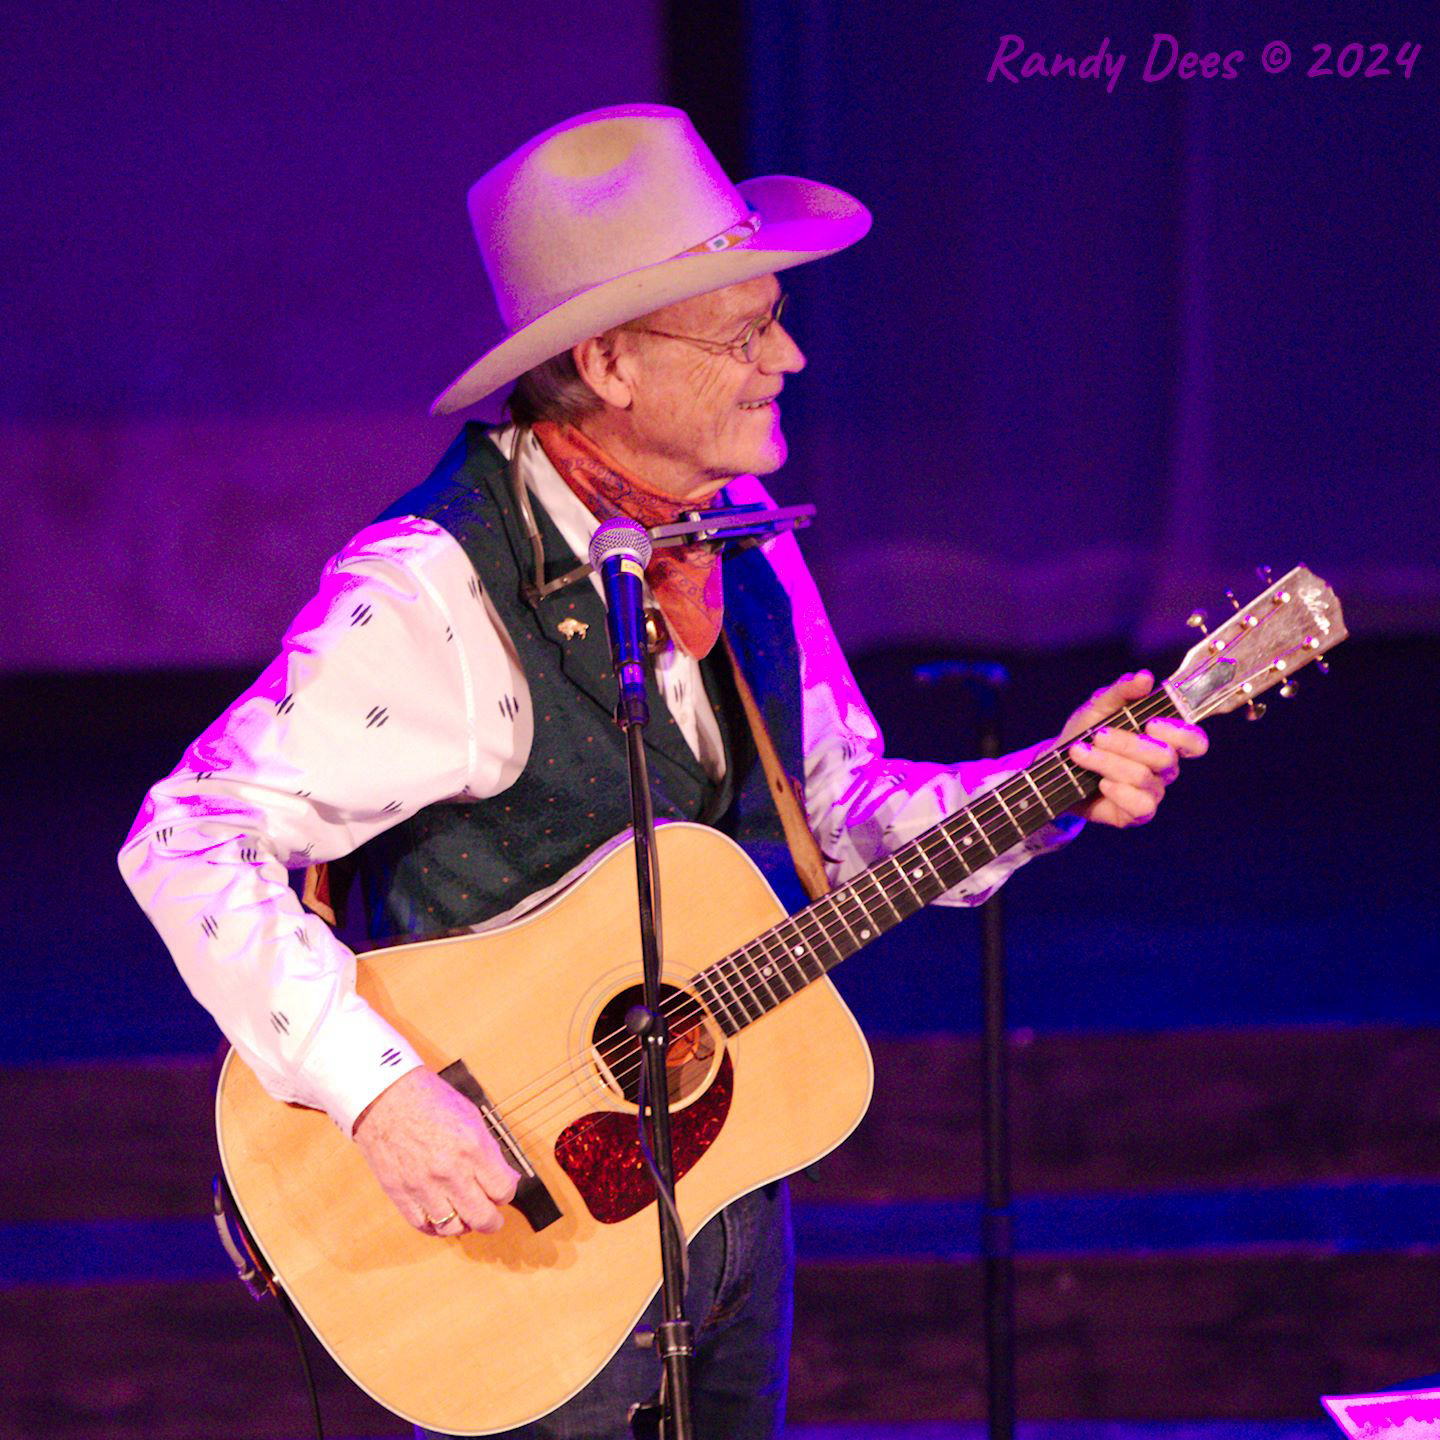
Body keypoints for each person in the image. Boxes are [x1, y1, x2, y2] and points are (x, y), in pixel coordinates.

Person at [119, 104, 1207, 1439]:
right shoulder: (434, 591)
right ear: (613, 361)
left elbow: (845, 822)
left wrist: (1052, 782)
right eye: (748, 329)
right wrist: (378, 1088)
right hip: (510, 1225)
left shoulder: (739, 542)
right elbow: (187, 837)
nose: (790, 356)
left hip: (721, 1199)